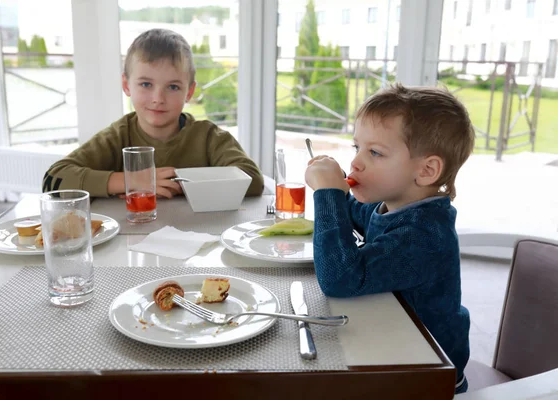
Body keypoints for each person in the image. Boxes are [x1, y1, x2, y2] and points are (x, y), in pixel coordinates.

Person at [305, 83, 474, 394]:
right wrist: (341, 194)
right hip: (392, 339)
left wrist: (327, 194)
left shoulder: (423, 235)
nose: (355, 163)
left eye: (375, 152)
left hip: (426, 372)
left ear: (426, 170)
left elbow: (340, 278)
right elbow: (359, 213)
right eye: (357, 147)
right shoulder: (396, 203)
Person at [42, 29, 263, 198]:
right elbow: (54, 179)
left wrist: (178, 185)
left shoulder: (208, 137)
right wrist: (134, 181)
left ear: (190, 91)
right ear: (127, 85)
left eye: (173, 87)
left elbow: (252, 180)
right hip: (128, 247)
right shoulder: (117, 136)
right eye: (146, 84)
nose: (158, 98)